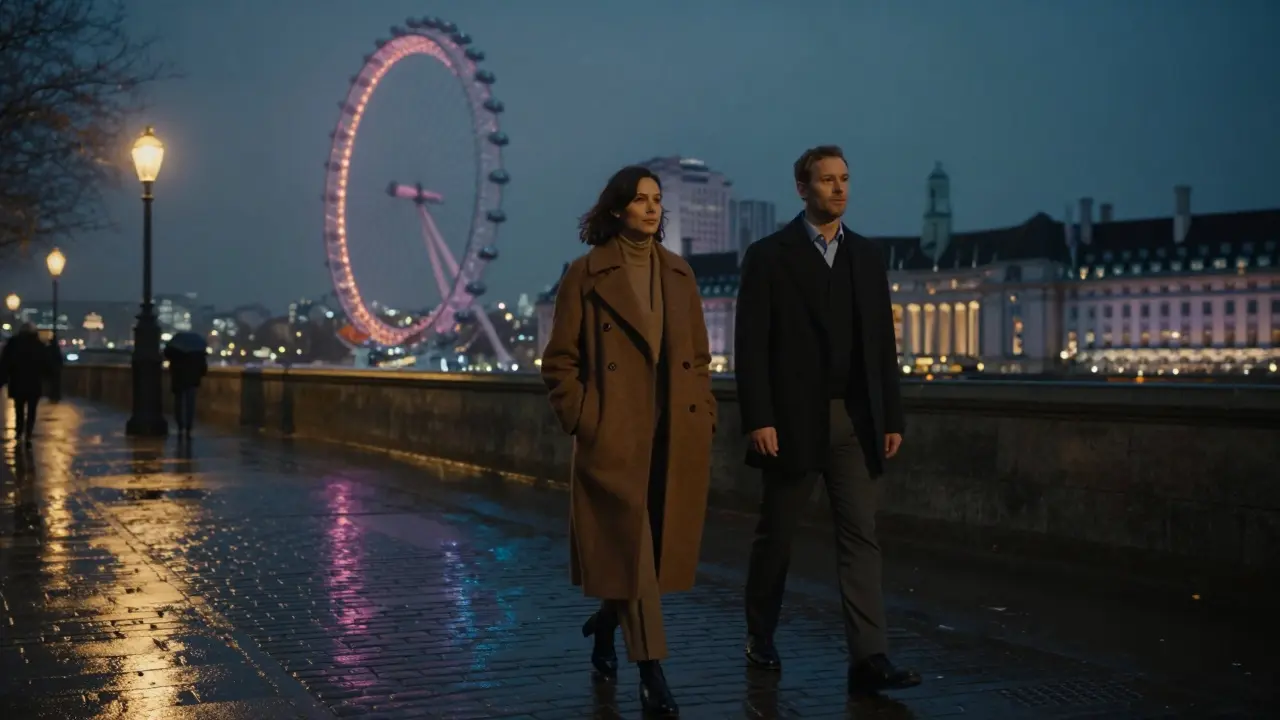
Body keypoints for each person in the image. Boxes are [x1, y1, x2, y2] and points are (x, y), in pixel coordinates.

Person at [734, 145, 921, 696]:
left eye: (844, 180)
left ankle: (870, 657)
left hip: (856, 417)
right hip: (792, 419)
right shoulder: (770, 255)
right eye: (826, 180)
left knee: (862, 537)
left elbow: (881, 344)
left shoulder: (866, 255)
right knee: (778, 536)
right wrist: (759, 418)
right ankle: (760, 634)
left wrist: (891, 413)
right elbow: (751, 347)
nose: (839, 189)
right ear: (802, 188)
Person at [541, 165, 717, 716]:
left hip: (672, 434)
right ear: (617, 209)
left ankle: (604, 624)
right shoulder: (585, 275)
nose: (651, 207)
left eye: (657, 199)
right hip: (613, 436)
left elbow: (699, 359)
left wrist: (703, 411)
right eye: (640, 199)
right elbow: (559, 361)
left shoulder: (681, 275)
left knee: (646, 556)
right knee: (636, 551)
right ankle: (652, 671)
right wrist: (585, 417)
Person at [0, 323, 49, 447]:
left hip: (18, 381)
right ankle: (28, 434)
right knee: (32, 410)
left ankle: (19, 430)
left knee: (19, 408)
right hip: (34, 382)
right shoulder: (39, 345)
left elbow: (5, 363)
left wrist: (3, 379)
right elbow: (46, 365)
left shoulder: (13, 343)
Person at [164, 343, 207, 437]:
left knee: (178, 402)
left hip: (178, 379)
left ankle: (180, 424)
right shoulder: (197, 352)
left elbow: (166, 355)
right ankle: (188, 425)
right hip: (192, 380)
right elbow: (203, 367)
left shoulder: (176, 352)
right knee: (190, 403)